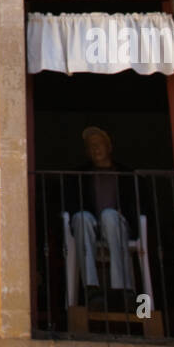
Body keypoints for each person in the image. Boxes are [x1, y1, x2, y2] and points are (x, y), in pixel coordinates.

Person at [67, 126, 138, 309]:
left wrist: (127, 215)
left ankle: (122, 289)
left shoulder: (126, 174)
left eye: (99, 144)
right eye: (91, 146)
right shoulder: (79, 175)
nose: (95, 149)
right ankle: (92, 289)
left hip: (117, 225)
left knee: (109, 215)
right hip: (90, 227)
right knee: (81, 217)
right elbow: (72, 204)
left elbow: (137, 204)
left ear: (109, 147)